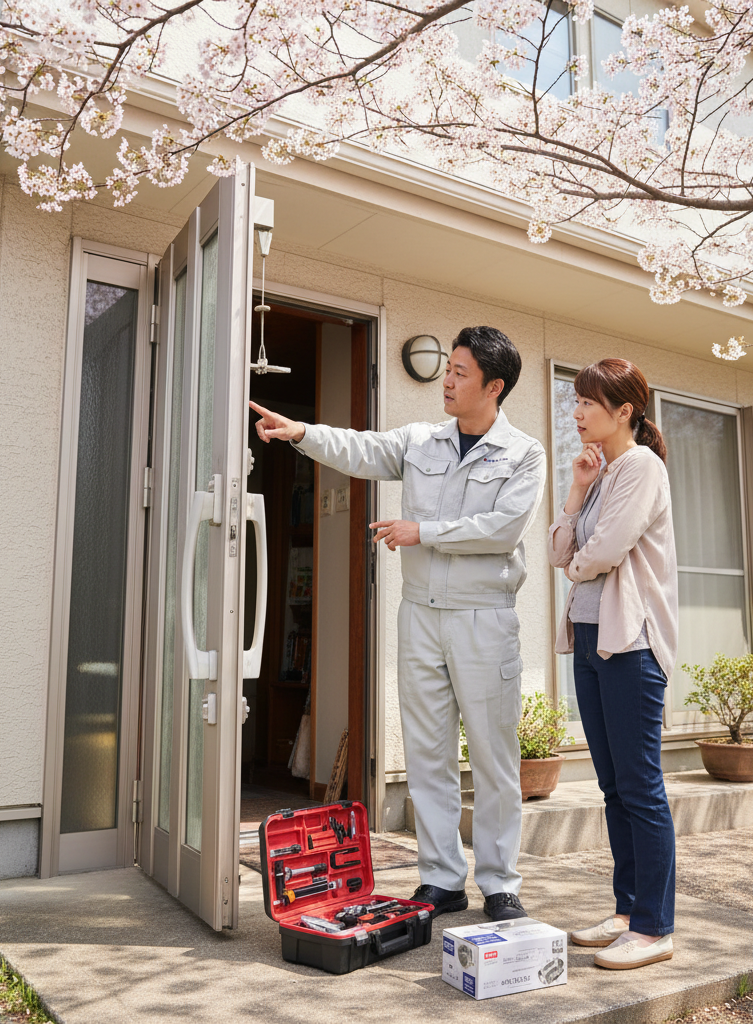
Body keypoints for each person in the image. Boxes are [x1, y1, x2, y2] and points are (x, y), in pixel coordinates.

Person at [249, 326, 546, 921]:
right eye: (449, 368)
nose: (449, 379)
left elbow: (504, 529)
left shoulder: (525, 454)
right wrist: (302, 433)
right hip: (420, 618)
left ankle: (500, 882)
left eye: (461, 372)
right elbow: (361, 448)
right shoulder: (421, 442)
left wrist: (422, 532)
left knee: (493, 757)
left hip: (484, 620)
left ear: (495, 386)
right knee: (427, 753)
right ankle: (441, 879)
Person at [547, 357, 678, 970]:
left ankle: (654, 928)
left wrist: (577, 562)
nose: (576, 413)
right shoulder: (600, 473)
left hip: (631, 645)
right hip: (593, 641)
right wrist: (575, 488)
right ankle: (627, 912)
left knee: (641, 787)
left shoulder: (641, 467)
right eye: (575, 402)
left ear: (624, 410)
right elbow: (559, 548)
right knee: (612, 787)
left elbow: (598, 555)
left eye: (588, 403)